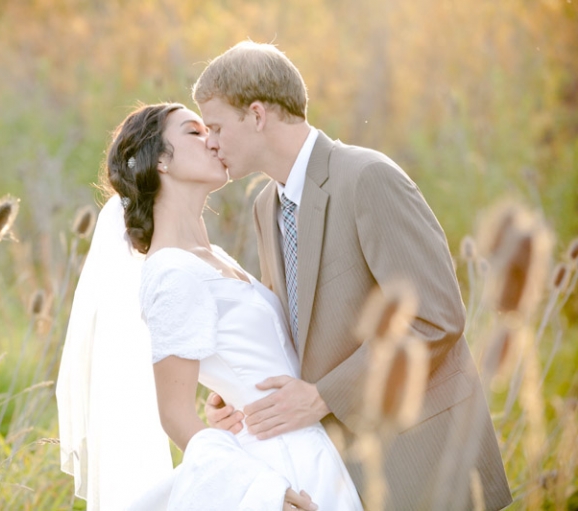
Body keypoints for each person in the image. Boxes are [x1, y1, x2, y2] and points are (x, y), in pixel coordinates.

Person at [193, 41, 512, 510]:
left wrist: (323, 397)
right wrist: (238, 391)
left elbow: (434, 317)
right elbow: (297, 329)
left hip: (423, 461)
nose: (211, 142)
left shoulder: (367, 178)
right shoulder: (266, 207)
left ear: (257, 115)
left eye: (217, 126)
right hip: (343, 472)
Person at [58, 102, 364, 510]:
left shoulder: (211, 257)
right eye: (194, 132)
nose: (213, 141)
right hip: (280, 470)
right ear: (160, 161)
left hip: (309, 445)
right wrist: (263, 493)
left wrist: (227, 392)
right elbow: (175, 415)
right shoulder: (172, 272)